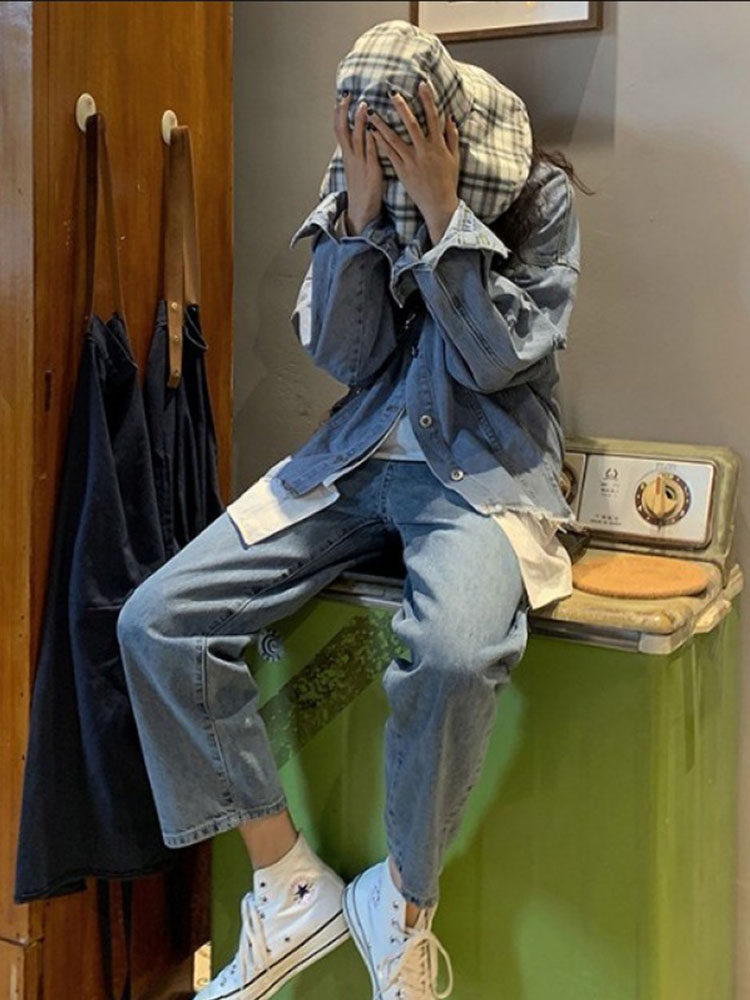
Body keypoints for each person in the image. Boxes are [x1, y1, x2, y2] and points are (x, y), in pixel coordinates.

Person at [117, 18, 587, 1000]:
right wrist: (364, 212)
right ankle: (289, 883)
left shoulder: (536, 195)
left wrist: (444, 212)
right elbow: (343, 356)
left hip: (482, 473)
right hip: (353, 461)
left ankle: (401, 906)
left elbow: (496, 363)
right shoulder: (354, 182)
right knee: (157, 620)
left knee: (454, 653)